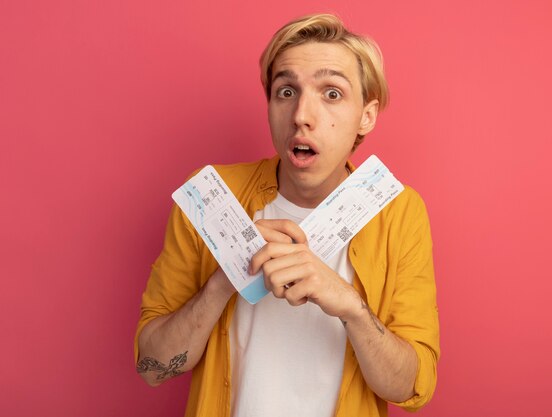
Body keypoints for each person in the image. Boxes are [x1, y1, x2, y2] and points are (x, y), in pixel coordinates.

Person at [135, 13, 439, 417]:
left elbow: (411, 389)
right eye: (286, 91)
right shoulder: (214, 199)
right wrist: (224, 281)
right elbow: (152, 368)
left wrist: (349, 305)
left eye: (332, 93)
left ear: (366, 115)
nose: (301, 116)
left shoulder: (399, 213)